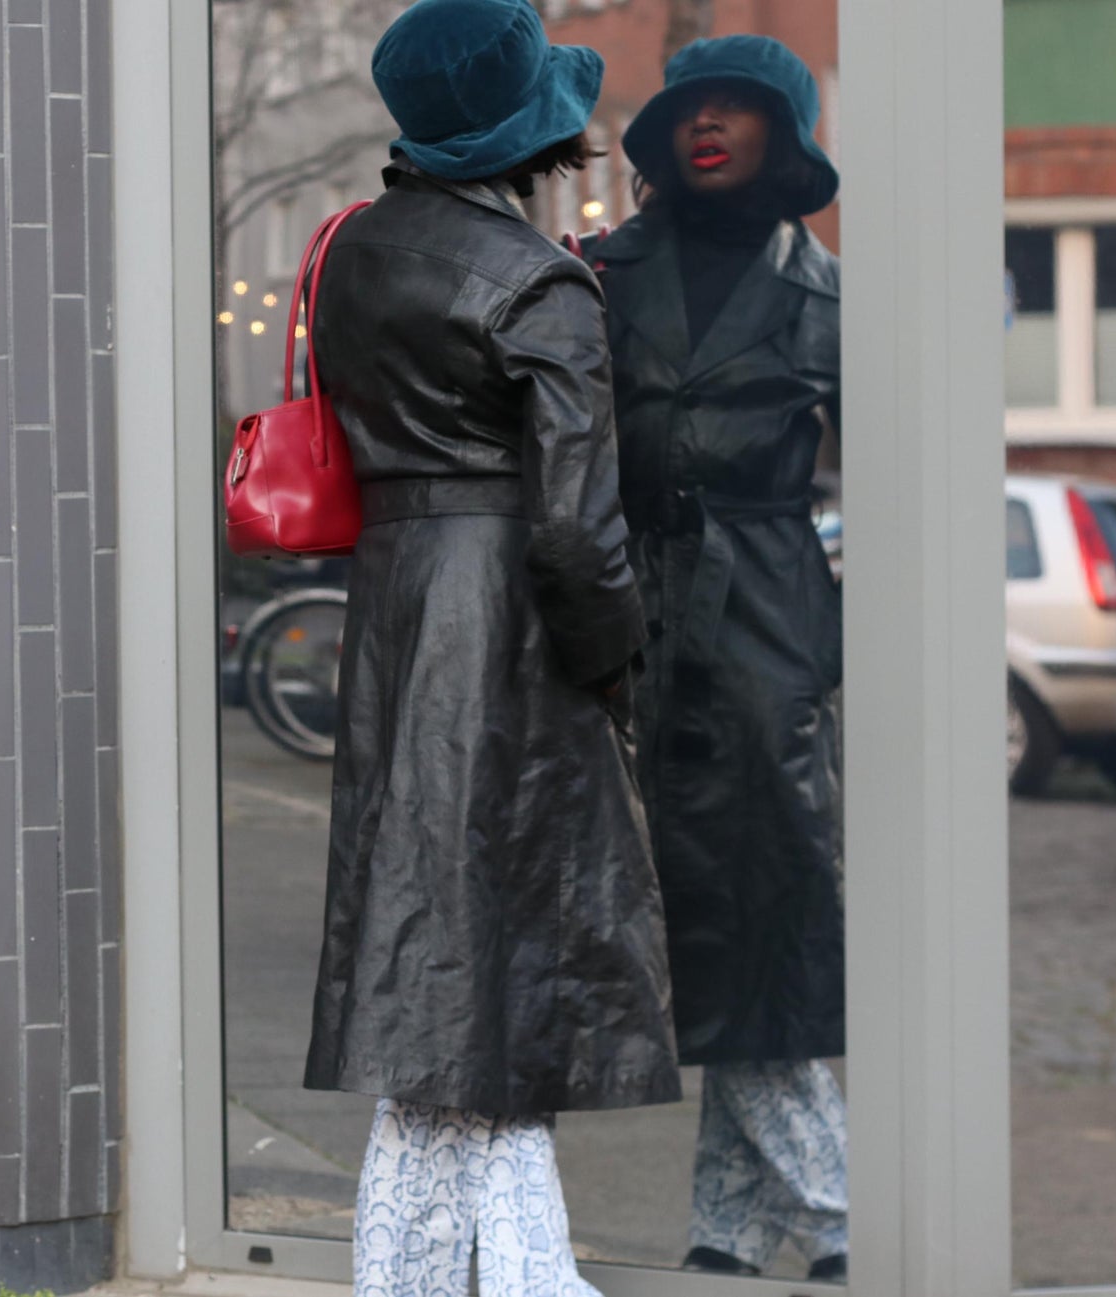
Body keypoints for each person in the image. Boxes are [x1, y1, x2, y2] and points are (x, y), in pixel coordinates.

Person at [300, 0, 681, 1291]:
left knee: (444, 1003)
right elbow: (577, 532)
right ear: (529, 140)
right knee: (502, 1000)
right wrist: (620, 670)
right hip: (507, 632)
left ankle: (424, 1277)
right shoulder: (540, 283)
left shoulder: (350, 254)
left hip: (400, 609)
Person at [571, 34, 849, 1282]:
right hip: (630, 621)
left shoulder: (826, 294)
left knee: (767, 909)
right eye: (691, 107)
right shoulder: (598, 277)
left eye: (738, 108)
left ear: (783, 136)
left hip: (765, 625)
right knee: (699, 925)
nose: (709, 126)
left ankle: (842, 1222)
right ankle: (729, 1235)